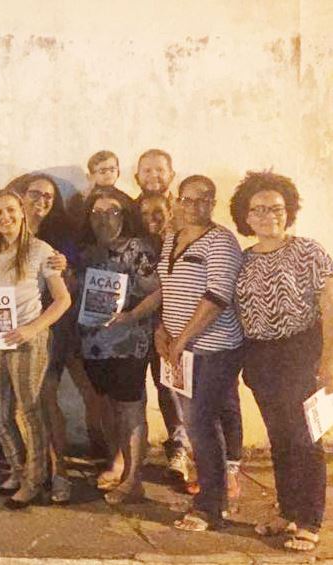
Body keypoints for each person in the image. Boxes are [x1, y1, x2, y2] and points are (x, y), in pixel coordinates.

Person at [231, 171, 332, 552]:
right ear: (246, 216)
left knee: (305, 438)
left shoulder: (309, 251)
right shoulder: (243, 261)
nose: (267, 215)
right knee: (280, 438)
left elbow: (329, 305)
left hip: (300, 352)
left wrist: (328, 358)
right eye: (258, 209)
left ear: (289, 211)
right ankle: (287, 512)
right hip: (260, 356)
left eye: (275, 208)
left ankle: (309, 520)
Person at [154, 175, 244, 532]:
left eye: (204, 199)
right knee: (195, 422)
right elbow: (168, 288)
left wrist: (181, 340)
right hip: (181, 349)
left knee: (201, 423)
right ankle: (214, 495)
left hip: (214, 348)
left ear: (213, 203)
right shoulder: (172, 237)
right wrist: (162, 329)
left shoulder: (222, 241)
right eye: (188, 199)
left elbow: (217, 297)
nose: (195, 206)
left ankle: (211, 507)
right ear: (178, 201)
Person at [0, 189, 71, 509]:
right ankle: (17, 470)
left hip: (29, 338)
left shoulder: (40, 250)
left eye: (11, 210)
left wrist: (32, 329)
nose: (5, 217)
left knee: (28, 411)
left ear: (22, 213)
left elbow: (63, 300)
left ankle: (34, 479)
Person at [76, 188, 160, 504]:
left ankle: (134, 479)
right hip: (94, 343)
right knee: (107, 406)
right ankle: (118, 463)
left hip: (128, 342)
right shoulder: (88, 252)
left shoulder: (138, 249)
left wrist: (132, 316)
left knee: (130, 409)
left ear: (125, 214)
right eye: (96, 213)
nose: (104, 219)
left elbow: (158, 291)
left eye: (112, 212)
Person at [15, 173, 88, 504]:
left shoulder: (61, 238)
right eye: (35, 194)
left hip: (50, 327)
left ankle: (60, 472)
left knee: (45, 396)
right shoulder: (8, 230)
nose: (41, 201)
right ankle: (34, 468)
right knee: (21, 402)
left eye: (48, 196)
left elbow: (70, 285)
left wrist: (65, 267)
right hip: (14, 327)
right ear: (21, 196)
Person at [132, 151, 191, 485]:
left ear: (171, 173)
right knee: (133, 391)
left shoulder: (188, 216)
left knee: (172, 387)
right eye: (146, 170)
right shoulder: (127, 212)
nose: (153, 175)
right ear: (136, 176)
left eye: (159, 169)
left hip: (176, 320)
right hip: (136, 319)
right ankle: (130, 454)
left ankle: (181, 449)